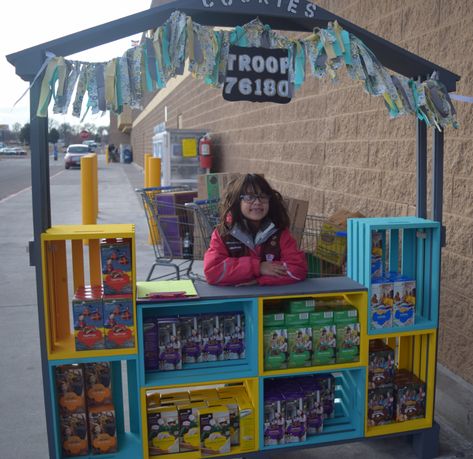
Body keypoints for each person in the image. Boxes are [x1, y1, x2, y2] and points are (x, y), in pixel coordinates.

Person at [204, 174, 307, 286]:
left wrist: (260, 281)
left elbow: (298, 268)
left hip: (270, 299)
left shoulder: (280, 233)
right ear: (237, 202)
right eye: (249, 197)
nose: (258, 202)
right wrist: (258, 267)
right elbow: (213, 271)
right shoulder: (223, 233)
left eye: (262, 196)